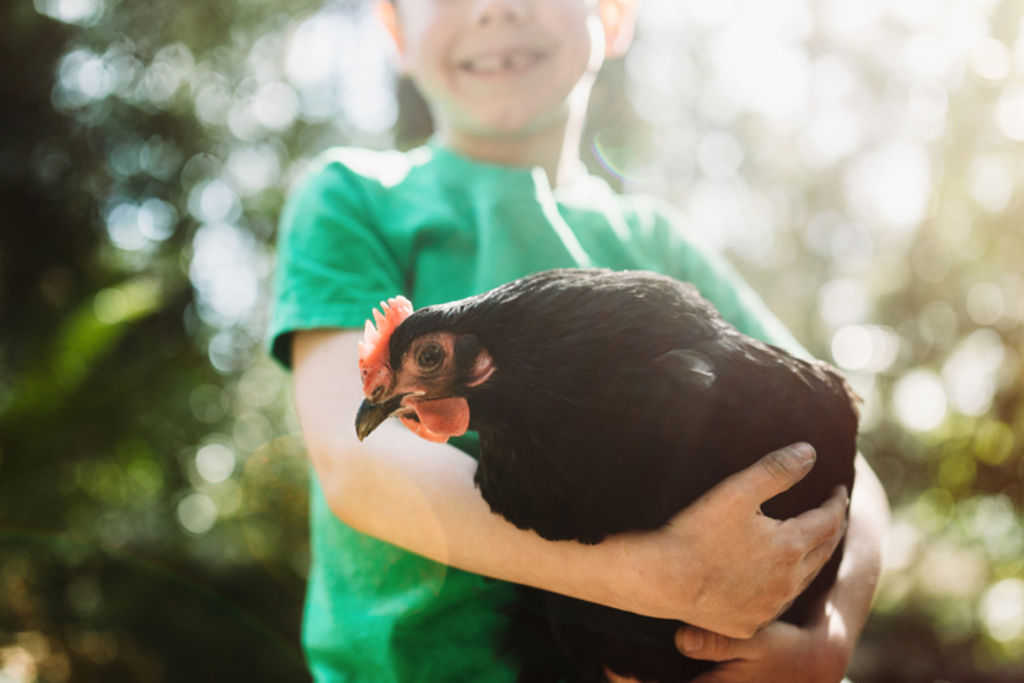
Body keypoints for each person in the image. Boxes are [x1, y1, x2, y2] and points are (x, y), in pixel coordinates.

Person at [267, 0, 890, 680]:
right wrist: (655, 576)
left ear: (615, 13)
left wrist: (829, 641)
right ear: (394, 29)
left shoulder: (655, 245)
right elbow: (354, 462)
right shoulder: (353, 200)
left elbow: (847, 456)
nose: (494, 9)